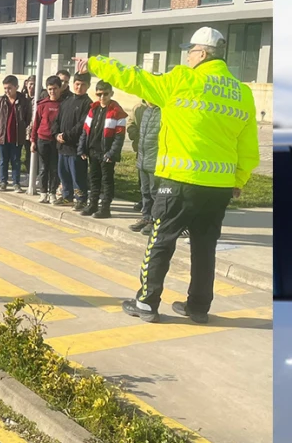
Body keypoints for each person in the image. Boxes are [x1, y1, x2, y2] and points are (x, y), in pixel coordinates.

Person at [77, 26, 259, 325]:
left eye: (190, 51)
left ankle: (147, 303)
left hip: (179, 181)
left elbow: (133, 77)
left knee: (161, 240)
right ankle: (198, 307)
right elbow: (248, 145)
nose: (187, 56)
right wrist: (238, 179)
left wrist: (95, 63)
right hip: (219, 187)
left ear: (201, 53)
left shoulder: (181, 80)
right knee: (205, 248)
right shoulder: (242, 93)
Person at [77, 80, 127, 218]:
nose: (102, 97)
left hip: (107, 153)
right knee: (93, 179)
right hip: (93, 151)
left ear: (111, 93)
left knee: (107, 181)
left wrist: (112, 153)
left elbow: (119, 136)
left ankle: (105, 208)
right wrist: (82, 148)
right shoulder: (93, 109)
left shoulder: (117, 112)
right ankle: (93, 204)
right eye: (99, 94)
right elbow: (85, 131)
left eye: (105, 94)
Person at [54, 72, 93, 209]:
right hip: (62, 147)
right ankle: (67, 196)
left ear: (88, 86)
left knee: (78, 176)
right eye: (77, 84)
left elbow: (82, 125)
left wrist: (66, 136)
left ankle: (81, 199)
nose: (79, 87)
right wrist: (57, 134)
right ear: (73, 84)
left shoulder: (88, 104)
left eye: (83, 85)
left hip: (76, 147)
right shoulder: (66, 102)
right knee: (63, 174)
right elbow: (57, 120)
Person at [0, 75, 32, 192]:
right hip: (2, 136)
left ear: (16, 87)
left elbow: (27, 118)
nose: (7, 91)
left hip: (17, 136)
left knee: (16, 160)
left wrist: (22, 127)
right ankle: (3, 182)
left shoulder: (24, 102)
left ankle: (16, 183)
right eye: (5, 88)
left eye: (9, 88)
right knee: (3, 160)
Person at [126, 99, 161, 235]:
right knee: (145, 191)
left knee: (155, 192)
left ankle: (155, 221)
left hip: (155, 160)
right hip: (143, 158)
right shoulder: (145, 111)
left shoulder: (161, 112)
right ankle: (146, 218)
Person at [31, 76, 64, 203]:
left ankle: (52, 193)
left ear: (60, 88)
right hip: (42, 139)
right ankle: (43, 192)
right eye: (50, 89)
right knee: (43, 168)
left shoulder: (63, 104)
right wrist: (33, 141)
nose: (52, 92)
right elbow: (36, 123)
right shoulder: (42, 104)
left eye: (55, 89)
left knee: (54, 168)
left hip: (56, 141)